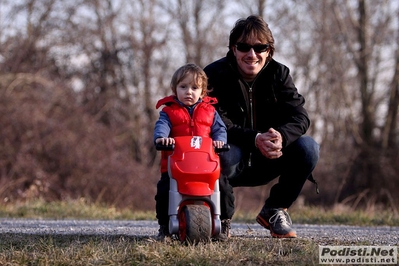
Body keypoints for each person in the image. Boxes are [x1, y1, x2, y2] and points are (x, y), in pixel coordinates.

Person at [204, 15, 320, 238]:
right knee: (218, 151)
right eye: (244, 47)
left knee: (309, 148)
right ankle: (220, 217)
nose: (252, 54)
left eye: (260, 47)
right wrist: (254, 138)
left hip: (270, 157)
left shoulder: (280, 74)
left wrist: (281, 138)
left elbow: (300, 116)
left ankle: (275, 209)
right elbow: (214, 119)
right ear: (233, 49)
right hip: (230, 156)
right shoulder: (213, 75)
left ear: (269, 50)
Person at [153, 63, 235, 241]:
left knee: (224, 187)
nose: (188, 92)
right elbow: (162, 126)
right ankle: (164, 227)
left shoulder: (210, 111)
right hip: (176, 164)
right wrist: (162, 138)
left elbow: (220, 129)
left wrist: (220, 141)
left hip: (206, 164)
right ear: (175, 89)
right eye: (183, 87)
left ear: (203, 92)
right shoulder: (169, 111)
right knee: (163, 190)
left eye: (194, 88)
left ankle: (224, 222)